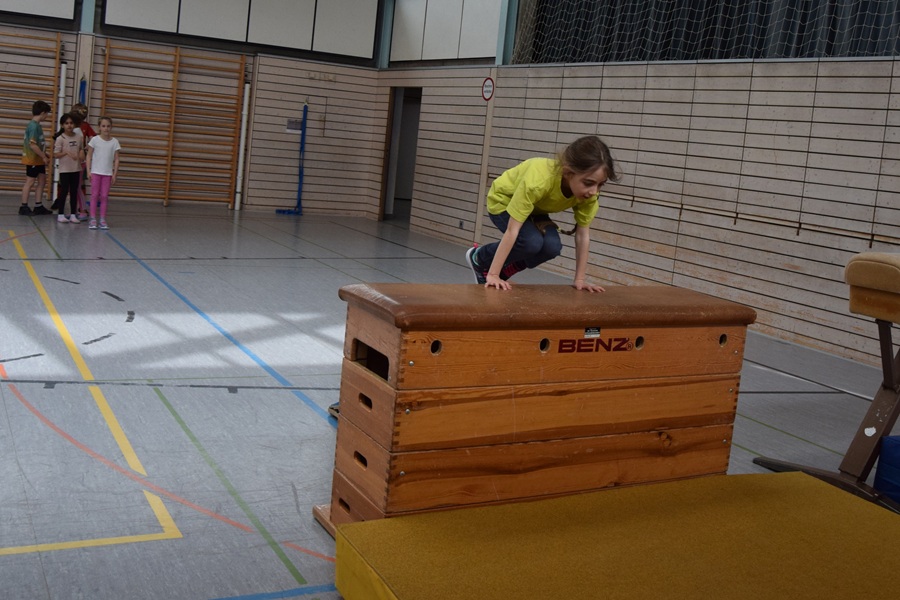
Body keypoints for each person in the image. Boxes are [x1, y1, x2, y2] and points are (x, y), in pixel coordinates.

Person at [465, 135, 618, 292]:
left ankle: (506, 271)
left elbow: (582, 235)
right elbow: (512, 230)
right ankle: (479, 257)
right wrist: (493, 274)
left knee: (552, 247)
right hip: (504, 201)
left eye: (601, 184)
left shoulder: (590, 195)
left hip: (534, 209)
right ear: (568, 172)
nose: (594, 191)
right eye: (588, 183)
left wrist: (580, 280)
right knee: (531, 242)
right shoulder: (539, 181)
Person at [85, 116, 121, 230]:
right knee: (94, 195)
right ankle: (93, 218)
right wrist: (88, 170)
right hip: (96, 172)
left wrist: (114, 174)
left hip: (107, 174)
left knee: (104, 196)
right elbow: (89, 156)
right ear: (99, 127)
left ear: (111, 127)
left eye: (108, 126)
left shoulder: (114, 142)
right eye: (103, 126)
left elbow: (116, 159)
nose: (106, 128)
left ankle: (102, 219)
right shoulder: (95, 140)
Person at [20, 100, 53, 216]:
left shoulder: (37, 125)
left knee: (42, 180)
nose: (47, 116)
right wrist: (43, 156)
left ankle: (38, 205)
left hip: (38, 159)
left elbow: (38, 144)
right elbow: (33, 145)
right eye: (47, 114)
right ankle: (23, 206)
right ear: (43, 113)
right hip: (33, 159)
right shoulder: (33, 126)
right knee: (30, 181)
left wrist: (44, 153)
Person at [52, 113, 84, 223]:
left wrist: (81, 154)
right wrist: (65, 153)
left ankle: (73, 214)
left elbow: (81, 149)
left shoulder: (79, 137)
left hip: (76, 168)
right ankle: (61, 214)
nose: (69, 125)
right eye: (66, 123)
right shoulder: (60, 138)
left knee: (74, 191)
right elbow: (56, 154)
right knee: (64, 191)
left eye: (71, 123)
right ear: (62, 125)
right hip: (65, 169)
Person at [71, 103, 95, 219]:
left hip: (80, 160)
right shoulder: (71, 126)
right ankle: (75, 210)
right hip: (72, 159)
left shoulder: (83, 126)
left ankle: (83, 210)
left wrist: (86, 147)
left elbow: (93, 138)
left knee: (77, 186)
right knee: (73, 187)